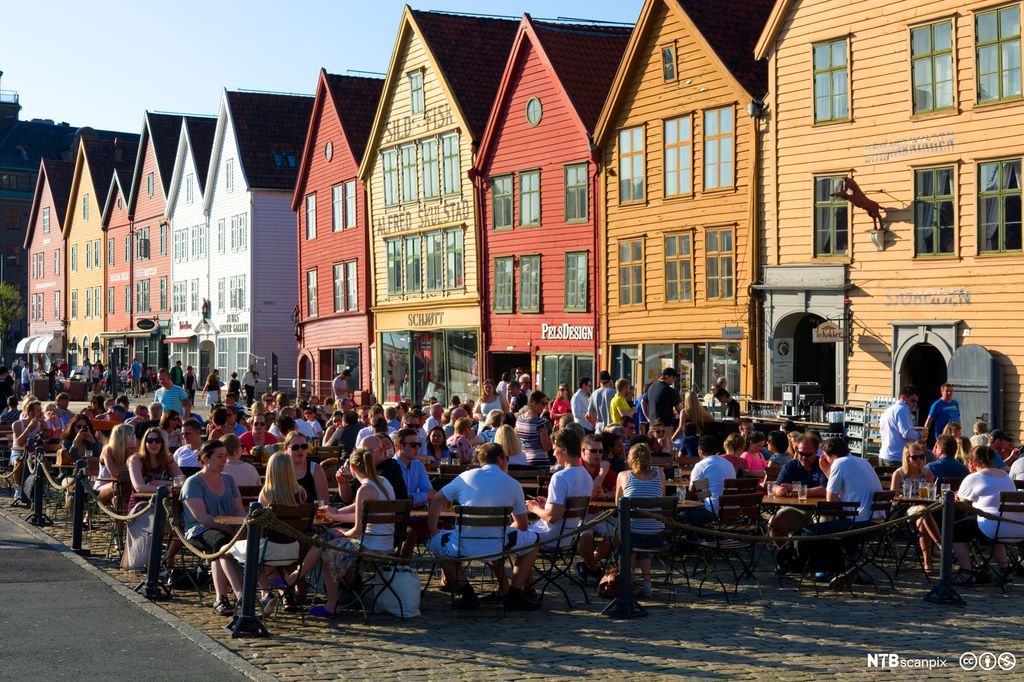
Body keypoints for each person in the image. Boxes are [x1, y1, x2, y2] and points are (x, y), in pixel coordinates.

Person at [427, 442, 541, 611]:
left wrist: (433, 530)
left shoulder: (466, 477)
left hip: (463, 544)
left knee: (436, 544)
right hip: (498, 545)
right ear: (500, 459)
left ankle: (467, 591)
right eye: (507, 459)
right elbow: (523, 526)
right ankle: (514, 593)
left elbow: (437, 499)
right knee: (534, 541)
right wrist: (505, 530)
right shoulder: (513, 484)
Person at [311, 447, 397, 617]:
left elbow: (357, 529)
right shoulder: (383, 482)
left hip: (370, 549)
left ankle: (331, 604)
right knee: (329, 535)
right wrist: (336, 513)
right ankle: (295, 578)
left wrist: (341, 530)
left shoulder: (364, 489)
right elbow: (360, 510)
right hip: (387, 546)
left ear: (352, 467)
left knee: (326, 547)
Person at [181, 439, 245, 616]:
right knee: (221, 544)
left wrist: (244, 528)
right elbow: (202, 518)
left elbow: (238, 510)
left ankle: (227, 598)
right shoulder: (193, 483)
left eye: (225, 456)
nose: (224, 460)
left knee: (250, 541)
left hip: (229, 529)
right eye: (219, 456)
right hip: (199, 530)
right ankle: (237, 595)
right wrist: (231, 532)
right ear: (205, 459)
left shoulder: (229, 480)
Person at [952, 445, 1024, 585]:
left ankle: (966, 573)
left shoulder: (974, 477)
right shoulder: (1005, 476)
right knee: (986, 529)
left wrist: (956, 497)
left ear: (973, 461)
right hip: (1018, 527)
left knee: (956, 530)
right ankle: (1005, 571)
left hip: (994, 526)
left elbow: (961, 503)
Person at [526, 428, 592, 548]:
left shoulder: (560, 477)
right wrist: (547, 504)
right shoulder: (587, 476)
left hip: (549, 538)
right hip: (569, 538)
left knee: (513, 530)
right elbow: (564, 509)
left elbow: (552, 517)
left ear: (564, 450)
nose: (553, 454)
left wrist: (534, 508)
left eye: (555, 449)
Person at [615, 443, 665, 597]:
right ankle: (647, 584)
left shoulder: (623, 476)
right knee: (643, 537)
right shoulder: (660, 474)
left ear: (630, 459)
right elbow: (661, 501)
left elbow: (618, 505)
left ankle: (629, 580)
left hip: (632, 534)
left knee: (630, 534)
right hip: (656, 535)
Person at [892, 441, 940, 571]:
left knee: (922, 518)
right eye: (914, 457)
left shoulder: (927, 474)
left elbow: (930, 497)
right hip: (903, 510)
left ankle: (928, 564)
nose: (919, 460)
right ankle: (941, 545)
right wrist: (909, 500)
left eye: (921, 457)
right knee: (923, 511)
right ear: (907, 458)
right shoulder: (899, 474)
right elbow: (894, 499)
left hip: (923, 511)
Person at [127, 428, 183, 507]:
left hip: (166, 504)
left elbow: (182, 482)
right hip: (141, 504)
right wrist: (167, 488)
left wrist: (160, 483)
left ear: (162, 443)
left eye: (157, 440)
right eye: (150, 441)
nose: (154, 443)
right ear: (145, 443)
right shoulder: (135, 460)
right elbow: (139, 487)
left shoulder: (167, 459)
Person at [687, 435, 736, 519]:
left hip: (713, 512)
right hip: (732, 511)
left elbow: (691, 491)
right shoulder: (729, 464)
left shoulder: (701, 465)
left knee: (681, 514)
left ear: (700, 450)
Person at [878, 385, 924, 466]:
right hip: (896, 457)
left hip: (884, 455)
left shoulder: (889, 410)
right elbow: (907, 433)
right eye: (913, 400)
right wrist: (920, 435)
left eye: (916, 401)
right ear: (903, 397)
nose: (915, 404)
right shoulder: (902, 409)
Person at [93, 424, 136, 504]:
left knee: (118, 498)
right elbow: (115, 475)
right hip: (102, 489)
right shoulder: (108, 450)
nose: (134, 438)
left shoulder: (132, 452)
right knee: (119, 486)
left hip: (120, 489)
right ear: (122, 438)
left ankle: (127, 511)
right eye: (131, 436)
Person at [393, 427, 435, 508]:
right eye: (413, 445)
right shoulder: (390, 467)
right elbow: (398, 499)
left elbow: (430, 493)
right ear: (399, 446)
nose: (417, 448)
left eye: (419, 445)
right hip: (395, 513)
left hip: (414, 512)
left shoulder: (418, 465)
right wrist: (423, 497)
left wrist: (413, 498)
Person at [515, 392, 552, 467]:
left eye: (546, 403)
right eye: (543, 403)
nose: (545, 406)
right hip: (539, 462)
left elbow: (517, 440)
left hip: (524, 460)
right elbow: (546, 447)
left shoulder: (518, 419)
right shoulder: (540, 423)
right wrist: (553, 435)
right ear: (534, 403)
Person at [646, 367, 681, 432]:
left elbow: (643, 402)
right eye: (673, 378)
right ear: (666, 376)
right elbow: (679, 409)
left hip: (652, 425)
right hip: (664, 426)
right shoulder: (669, 390)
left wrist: (647, 417)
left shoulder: (651, 386)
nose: (674, 380)